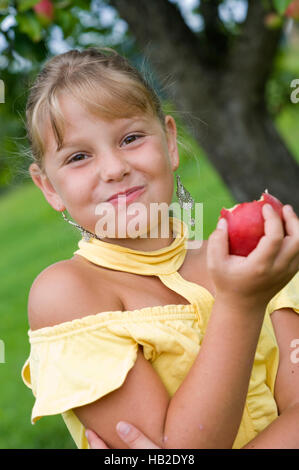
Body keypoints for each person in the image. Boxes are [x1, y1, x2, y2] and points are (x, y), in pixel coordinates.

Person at [21, 46, 299, 450]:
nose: (114, 168)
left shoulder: (251, 264)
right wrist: (241, 306)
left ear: (170, 142)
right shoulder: (67, 294)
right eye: (79, 156)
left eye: (131, 138)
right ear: (48, 186)